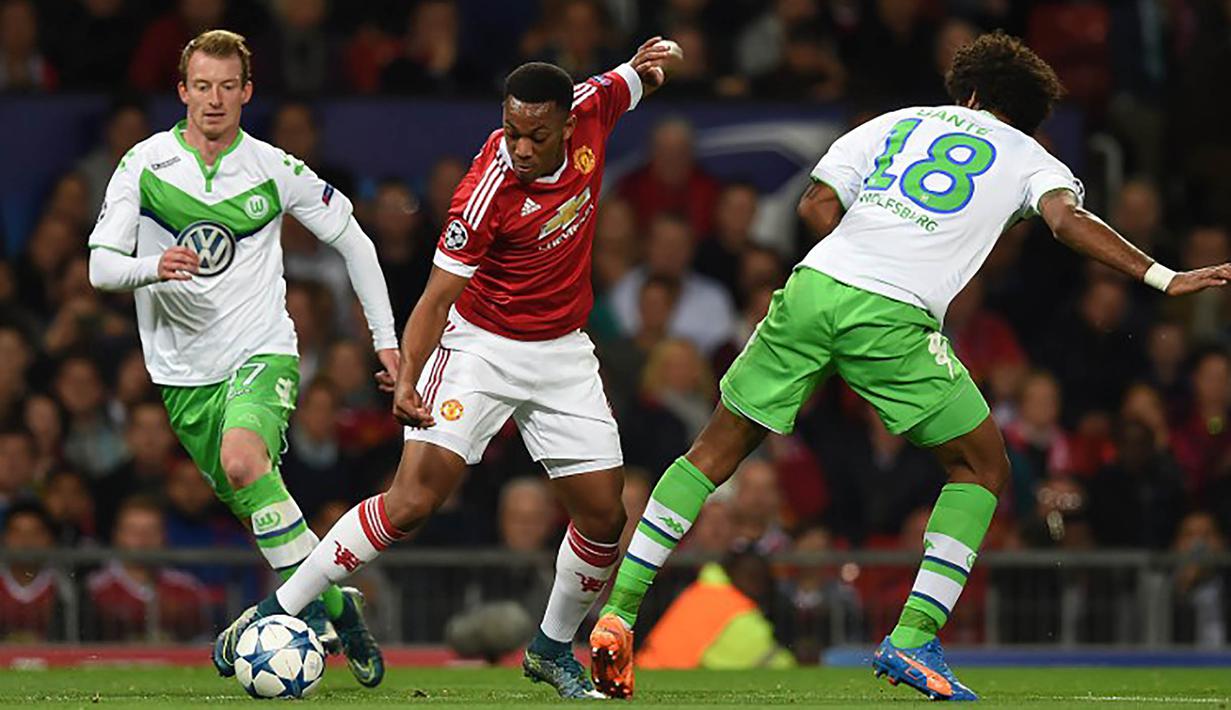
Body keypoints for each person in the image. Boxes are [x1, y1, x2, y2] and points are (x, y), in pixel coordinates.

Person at [589, 31, 1231, 701]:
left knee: (711, 452)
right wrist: (1162, 276)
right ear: (1027, 115)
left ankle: (620, 613)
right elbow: (1066, 222)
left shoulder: (894, 123)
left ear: (970, 94)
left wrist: (862, 258)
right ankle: (913, 636)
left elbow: (815, 204)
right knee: (981, 467)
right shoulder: (1029, 156)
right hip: (890, 314)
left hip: (813, 287)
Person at [213, 38, 680, 699]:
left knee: (605, 517)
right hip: (480, 348)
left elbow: (626, 82)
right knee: (411, 502)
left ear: (566, 125)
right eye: (511, 131)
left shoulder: (592, 108)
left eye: (535, 135)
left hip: (562, 350)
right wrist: (409, 378)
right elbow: (435, 300)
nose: (520, 147)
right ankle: (277, 609)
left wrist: (645, 67)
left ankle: (550, 648)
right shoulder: (485, 192)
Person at [86, 30, 398, 687]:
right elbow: (101, 268)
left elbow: (356, 242)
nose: (214, 99)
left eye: (228, 87)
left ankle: (285, 613)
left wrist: (385, 340)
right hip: (182, 373)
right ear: (182, 91)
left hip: (262, 349)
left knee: (243, 460)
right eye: (202, 86)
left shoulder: (274, 168)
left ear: (246, 92)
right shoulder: (144, 165)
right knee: (259, 504)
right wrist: (152, 267)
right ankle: (339, 609)